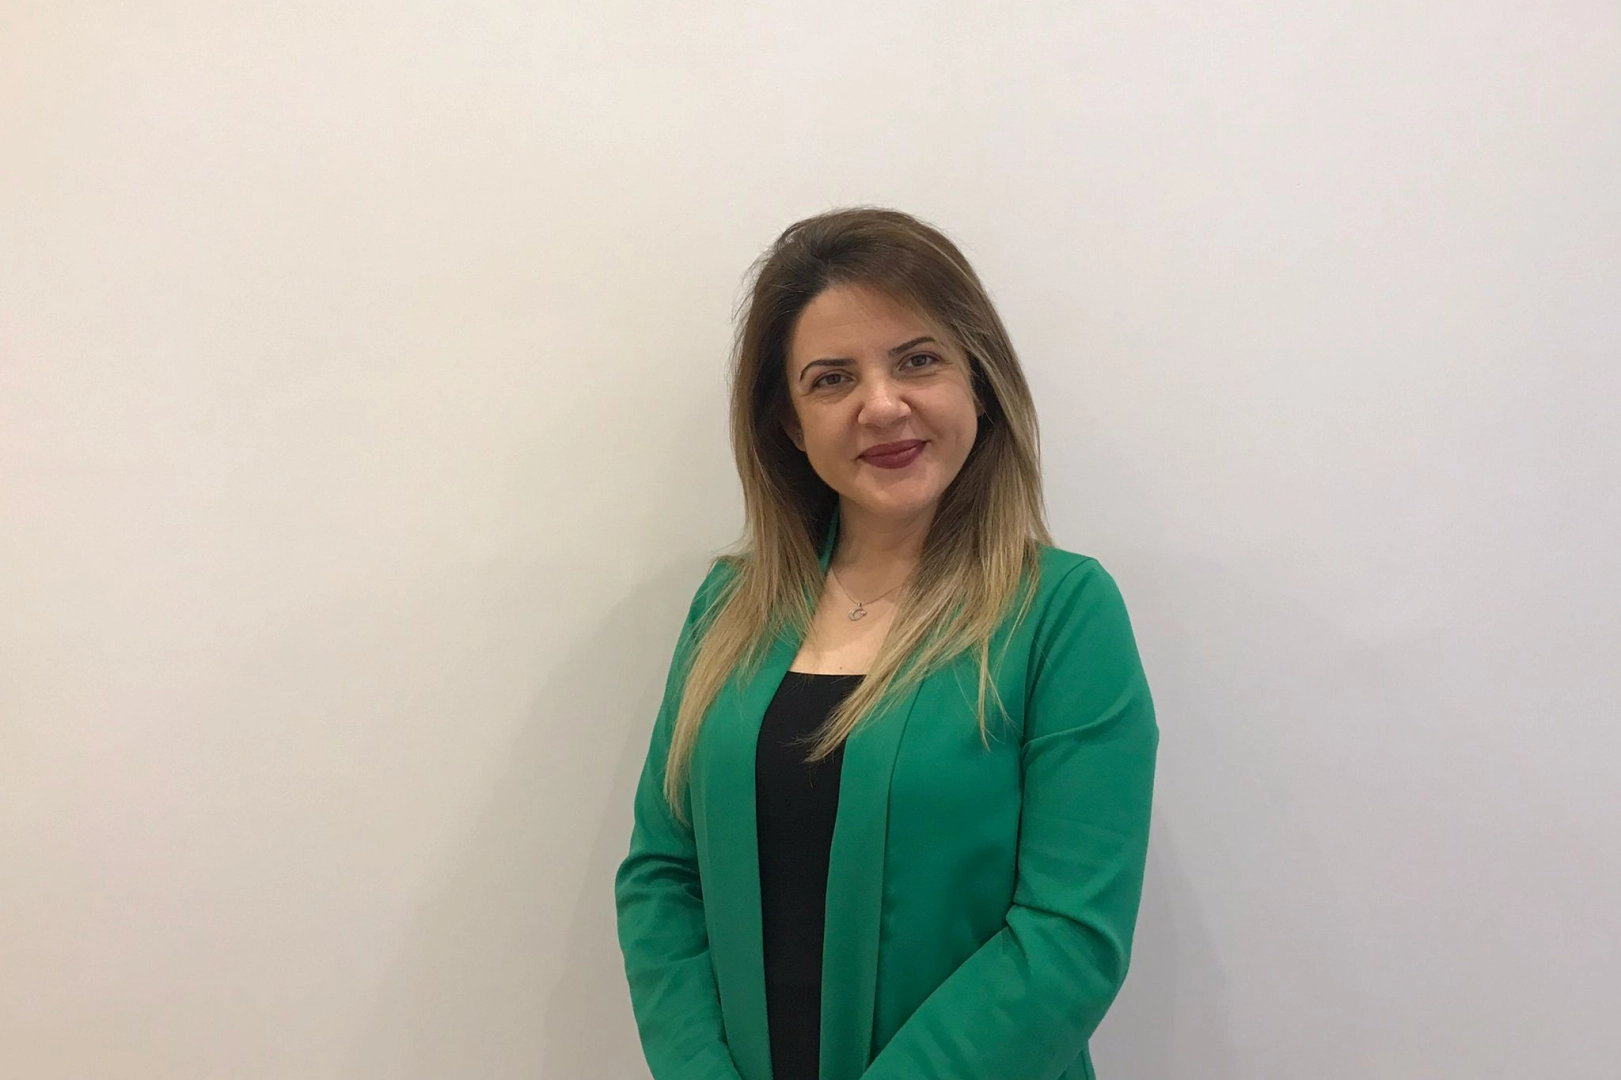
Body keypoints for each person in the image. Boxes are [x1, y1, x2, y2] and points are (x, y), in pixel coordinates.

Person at [614, 206, 1159, 1080]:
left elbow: (1069, 937)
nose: (881, 404)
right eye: (830, 379)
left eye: (917, 360)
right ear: (790, 424)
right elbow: (661, 876)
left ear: (978, 380)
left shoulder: (1061, 613)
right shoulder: (729, 610)